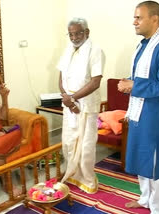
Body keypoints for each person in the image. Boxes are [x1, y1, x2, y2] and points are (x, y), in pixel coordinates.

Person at [118, 1, 159, 213]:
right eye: (134, 17)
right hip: (139, 112)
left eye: (138, 17)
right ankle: (145, 199)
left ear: (155, 19)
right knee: (143, 160)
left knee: (154, 163)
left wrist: (134, 85)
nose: (134, 22)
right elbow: (142, 78)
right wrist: (128, 82)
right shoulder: (143, 44)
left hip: (153, 115)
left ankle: (158, 208)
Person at [57, 17, 105, 194]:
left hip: (85, 106)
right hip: (69, 105)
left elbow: (95, 82)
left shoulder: (95, 50)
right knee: (69, 142)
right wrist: (66, 97)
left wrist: (72, 98)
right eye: (71, 34)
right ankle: (71, 174)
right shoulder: (67, 49)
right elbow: (61, 76)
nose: (74, 37)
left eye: (78, 33)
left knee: (85, 146)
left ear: (87, 32)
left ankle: (86, 179)